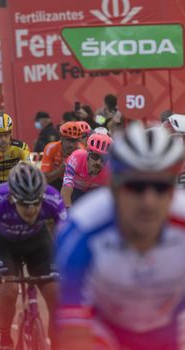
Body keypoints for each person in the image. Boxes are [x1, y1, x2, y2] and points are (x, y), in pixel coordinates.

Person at [56, 122, 185, 350]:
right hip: (103, 330)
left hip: (171, 325)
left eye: (160, 188)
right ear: (114, 188)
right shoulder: (81, 229)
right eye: (135, 187)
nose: (148, 201)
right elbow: (73, 329)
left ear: (173, 191)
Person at [0, 163, 66, 350]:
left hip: (38, 244)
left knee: (57, 294)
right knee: (9, 290)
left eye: (35, 203)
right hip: (4, 245)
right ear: (12, 198)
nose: (31, 210)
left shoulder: (53, 198)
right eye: (24, 204)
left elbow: (70, 239)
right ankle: (5, 339)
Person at [60, 133, 112, 208]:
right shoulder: (77, 157)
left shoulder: (110, 169)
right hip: (74, 190)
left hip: (93, 196)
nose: (98, 162)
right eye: (95, 156)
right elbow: (66, 188)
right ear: (88, 154)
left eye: (103, 159)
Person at [41, 122, 84, 191]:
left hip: (73, 183)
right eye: (68, 140)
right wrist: (64, 166)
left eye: (74, 141)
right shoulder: (50, 147)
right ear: (61, 138)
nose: (71, 145)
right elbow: (44, 179)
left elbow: (82, 183)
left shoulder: (81, 152)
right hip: (55, 181)